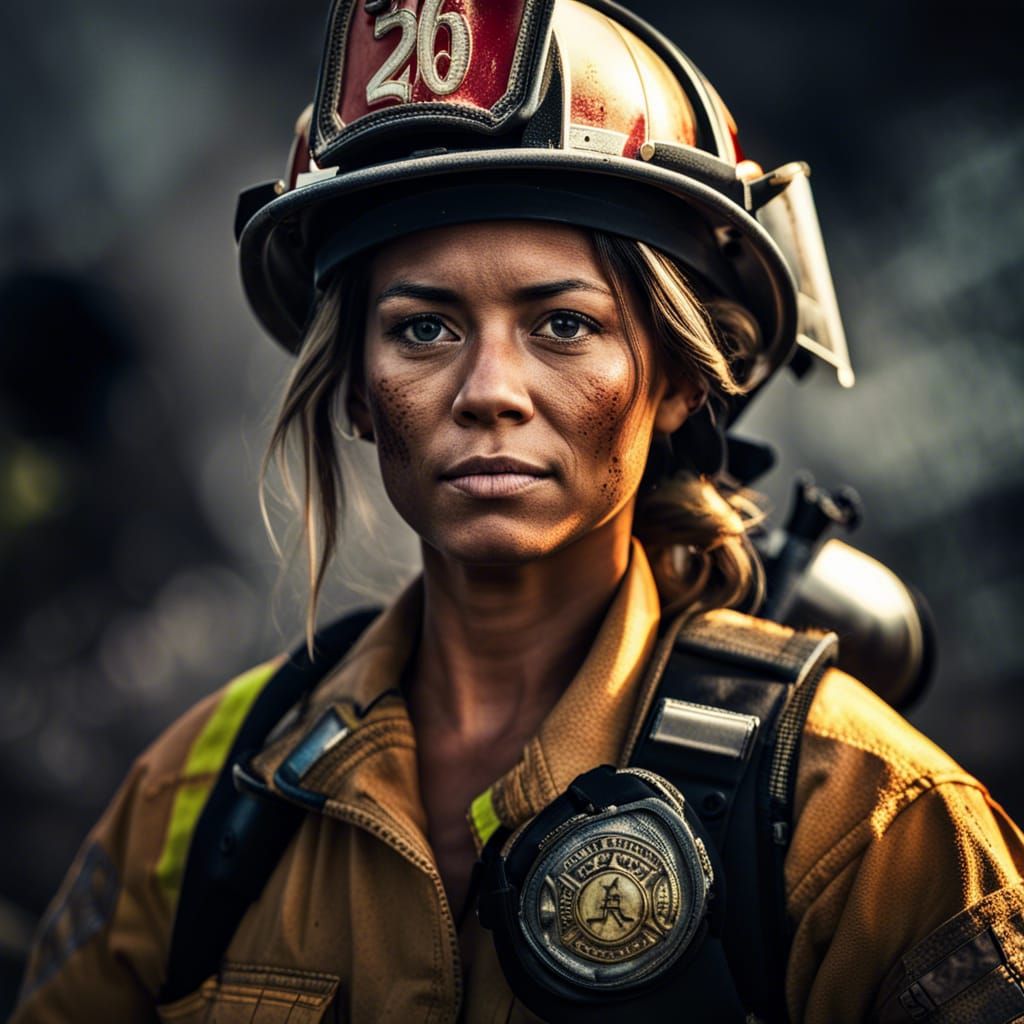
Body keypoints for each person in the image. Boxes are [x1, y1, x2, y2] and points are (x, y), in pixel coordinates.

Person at [13, 1, 1024, 1022]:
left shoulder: (871, 827)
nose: (488, 389)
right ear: (357, 393)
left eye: (562, 323)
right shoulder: (198, 800)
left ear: (676, 380)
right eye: (422, 328)